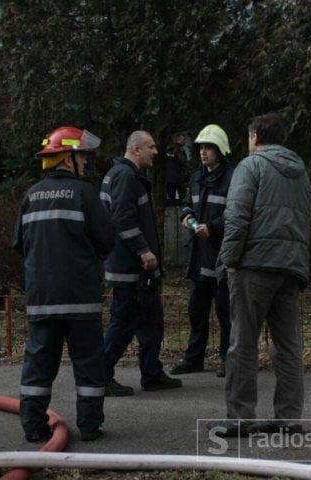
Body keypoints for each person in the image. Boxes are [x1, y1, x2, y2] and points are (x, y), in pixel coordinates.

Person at [13, 126, 115, 442]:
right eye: (82, 156)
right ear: (68, 159)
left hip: (42, 299)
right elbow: (107, 241)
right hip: (80, 298)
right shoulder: (84, 193)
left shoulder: (30, 195)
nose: (85, 162)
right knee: (88, 364)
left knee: (39, 364)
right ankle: (89, 426)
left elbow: (19, 244)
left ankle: (32, 427)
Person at [215, 113, 311, 436]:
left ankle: (240, 418)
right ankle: (289, 418)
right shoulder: (300, 173)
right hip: (290, 267)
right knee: (287, 346)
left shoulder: (250, 166)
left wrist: (228, 260)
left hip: (253, 266)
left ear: (255, 135)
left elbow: (237, 216)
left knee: (242, 343)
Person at [101, 130, 183, 396]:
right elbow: (123, 220)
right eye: (151, 147)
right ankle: (100, 375)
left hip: (134, 269)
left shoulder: (125, 175)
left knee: (151, 321)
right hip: (130, 268)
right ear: (136, 150)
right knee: (123, 322)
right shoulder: (125, 177)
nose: (156, 152)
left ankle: (152, 373)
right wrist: (144, 251)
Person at [170, 124, 234, 378]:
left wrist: (214, 227)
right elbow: (187, 204)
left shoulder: (232, 177)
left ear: (220, 150)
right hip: (198, 255)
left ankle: (228, 359)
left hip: (221, 254)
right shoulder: (197, 177)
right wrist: (187, 217)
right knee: (196, 310)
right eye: (201, 148)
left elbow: (236, 213)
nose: (204, 152)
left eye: (209, 147)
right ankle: (194, 359)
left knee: (225, 311)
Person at [165, 131, 188, 206]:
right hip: (177, 178)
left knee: (171, 198)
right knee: (182, 197)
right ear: (178, 140)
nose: (185, 141)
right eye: (183, 139)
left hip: (169, 178)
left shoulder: (169, 149)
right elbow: (183, 162)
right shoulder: (178, 150)